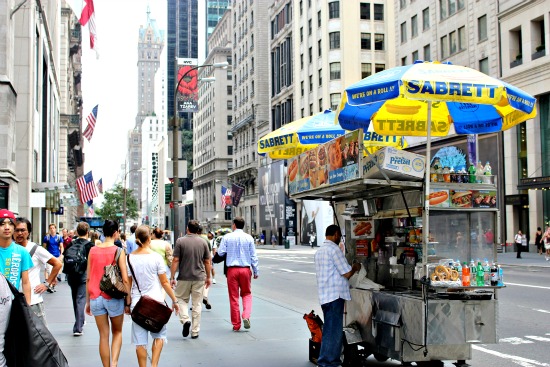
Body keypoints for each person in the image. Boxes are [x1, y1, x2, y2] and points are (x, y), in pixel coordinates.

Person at [126, 225, 179, 367]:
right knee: (159, 336)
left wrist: (127, 303)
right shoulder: (156, 258)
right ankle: (154, 365)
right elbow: (165, 282)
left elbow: (128, 284)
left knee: (140, 342)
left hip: (138, 304)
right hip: (156, 303)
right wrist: (174, 300)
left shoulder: (129, 258)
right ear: (149, 238)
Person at [314, 225, 361, 367]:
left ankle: (326, 360)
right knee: (333, 332)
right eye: (339, 235)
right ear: (335, 234)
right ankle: (329, 362)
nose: (339, 238)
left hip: (325, 296)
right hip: (335, 297)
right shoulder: (334, 250)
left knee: (329, 330)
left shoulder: (320, 251)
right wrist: (355, 267)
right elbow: (346, 273)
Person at [85, 220, 130, 367]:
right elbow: (124, 278)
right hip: (113, 297)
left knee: (103, 336)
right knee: (117, 332)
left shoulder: (92, 250)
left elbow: (88, 278)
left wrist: (87, 302)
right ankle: (114, 364)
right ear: (116, 232)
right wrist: (128, 300)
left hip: (95, 297)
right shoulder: (119, 251)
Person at [14, 217, 62, 326]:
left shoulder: (35, 249)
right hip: (13, 300)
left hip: (33, 301)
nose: (19, 233)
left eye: (23, 230)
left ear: (29, 232)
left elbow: (57, 264)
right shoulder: (10, 249)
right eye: (16, 230)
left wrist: (46, 283)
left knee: (39, 337)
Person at [170, 220, 212, 339]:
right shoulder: (203, 242)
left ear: (187, 228)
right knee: (197, 303)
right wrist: (208, 277)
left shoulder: (180, 241)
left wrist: (172, 277)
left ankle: (185, 319)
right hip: (199, 277)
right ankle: (195, 331)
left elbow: (175, 260)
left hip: (184, 276)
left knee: (180, 298)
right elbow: (207, 261)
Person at [217, 217, 259, 331]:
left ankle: (236, 324)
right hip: (245, 269)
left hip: (232, 270)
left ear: (234, 225)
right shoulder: (249, 237)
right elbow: (253, 256)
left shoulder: (227, 237)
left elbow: (220, 252)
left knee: (233, 297)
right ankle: (246, 315)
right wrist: (255, 271)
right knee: (246, 293)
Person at [65, 221, 94, 336]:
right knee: (81, 299)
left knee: (74, 298)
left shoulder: (71, 243)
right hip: (83, 275)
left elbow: (65, 257)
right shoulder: (90, 245)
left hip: (71, 275)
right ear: (88, 232)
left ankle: (79, 320)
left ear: (77, 231)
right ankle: (78, 326)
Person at [0, 209, 32, 305]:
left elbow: (25, 282)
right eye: (2, 224)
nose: (7, 227)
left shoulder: (22, 252)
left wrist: (28, 308)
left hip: (13, 305)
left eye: (10, 224)